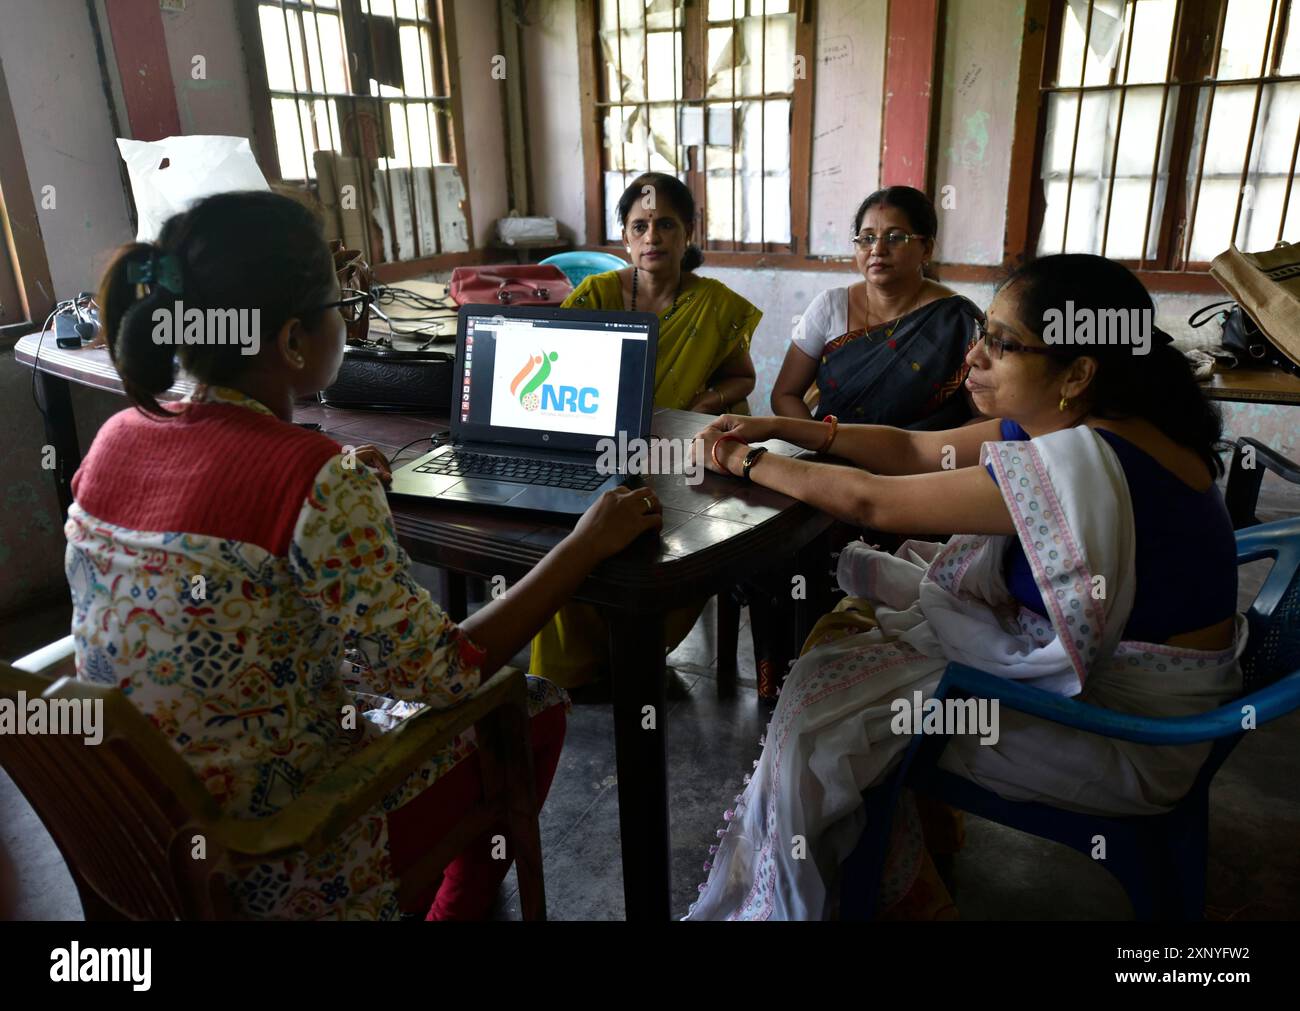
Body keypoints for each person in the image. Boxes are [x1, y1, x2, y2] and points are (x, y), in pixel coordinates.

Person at [65, 191, 664, 920]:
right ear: (292, 341)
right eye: (339, 299)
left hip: (134, 829)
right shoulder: (314, 480)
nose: (349, 315)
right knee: (529, 705)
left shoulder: (113, 441)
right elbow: (447, 674)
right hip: (276, 853)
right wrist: (585, 543)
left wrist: (332, 478)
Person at [688, 254, 1243, 919]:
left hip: (1127, 734)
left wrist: (745, 460)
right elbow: (918, 451)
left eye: (1003, 344)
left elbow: (872, 505)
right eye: (985, 330)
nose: (974, 355)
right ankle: (910, 865)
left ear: (1077, 372)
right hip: (1141, 699)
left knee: (834, 712)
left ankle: (880, 891)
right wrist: (783, 426)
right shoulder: (1087, 417)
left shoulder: (1088, 460)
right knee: (853, 654)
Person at [529, 172, 762, 689]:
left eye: (665, 224)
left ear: (688, 233)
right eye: (640, 226)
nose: (652, 237)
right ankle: (570, 675)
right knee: (574, 536)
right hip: (599, 449)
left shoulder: (716, 304)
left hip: (678, 455)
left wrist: (701, 403)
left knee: (682, 546)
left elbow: (741, 377)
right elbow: (559, 370)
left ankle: (631, 648)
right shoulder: (594, 295)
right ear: (626, 237)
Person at [770, 185, 981, 428]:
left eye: (895, 238)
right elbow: (784, 395)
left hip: (921, 462)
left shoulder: (957, 321)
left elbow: (983, 415)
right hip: (832, 457)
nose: (878, 250)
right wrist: (820, 441)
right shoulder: (830, 307)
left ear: (927, 249)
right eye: (867, 238)